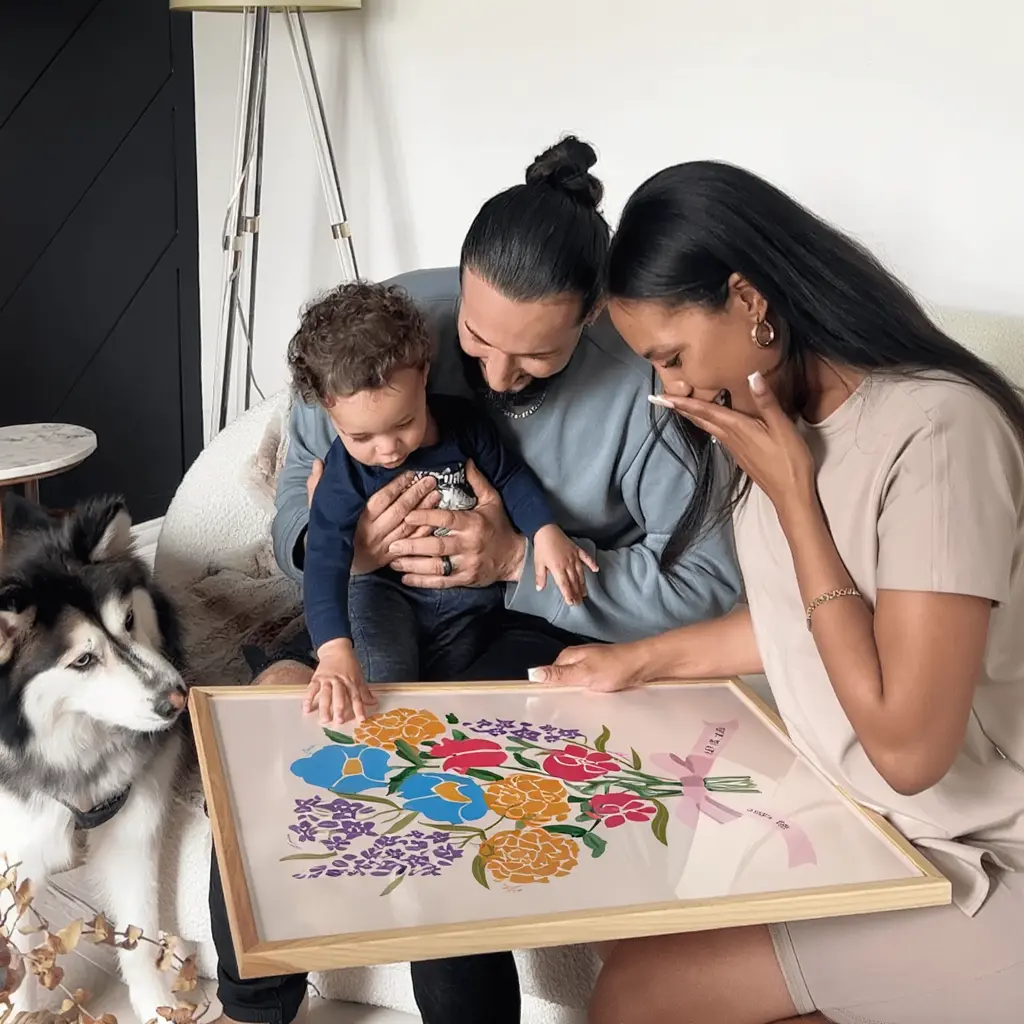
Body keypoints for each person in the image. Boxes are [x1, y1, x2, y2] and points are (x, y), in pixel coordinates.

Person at [209, 138, 741, 1024]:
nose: (494, 379)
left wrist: (513, 565)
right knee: (268, 741)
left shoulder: (649, 385)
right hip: (381, 606)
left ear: (596, 318)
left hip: (528, 626)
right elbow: (302, 499)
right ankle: (249, 1009)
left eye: (537, 361)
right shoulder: (386, 330)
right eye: (475, 341)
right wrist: (350, 549)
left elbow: (708, 591)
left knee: (442, 791)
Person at [529, 161, 1024, 1023]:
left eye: (672, 356)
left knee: (637, 996)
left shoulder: (940, 432)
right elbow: (804, 622)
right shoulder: (779, 421)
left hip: (985, 854)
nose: (671, 389)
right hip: (876, 831)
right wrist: (636, 662)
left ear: (750, 298)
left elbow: (909, 753)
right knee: (632, 927)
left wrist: (799, 504)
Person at [290, 280, 598, 725]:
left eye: (404, 422)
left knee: (458, 703)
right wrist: (335, 651)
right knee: (382, 692)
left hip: (468, 603)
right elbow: (324, 560)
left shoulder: (464, 425)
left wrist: (545, 532)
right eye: (361, 437)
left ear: (424, 375)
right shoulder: (343, 473)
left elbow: (512, 477)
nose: (389, 449)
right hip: (384, 597)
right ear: (327, 410)